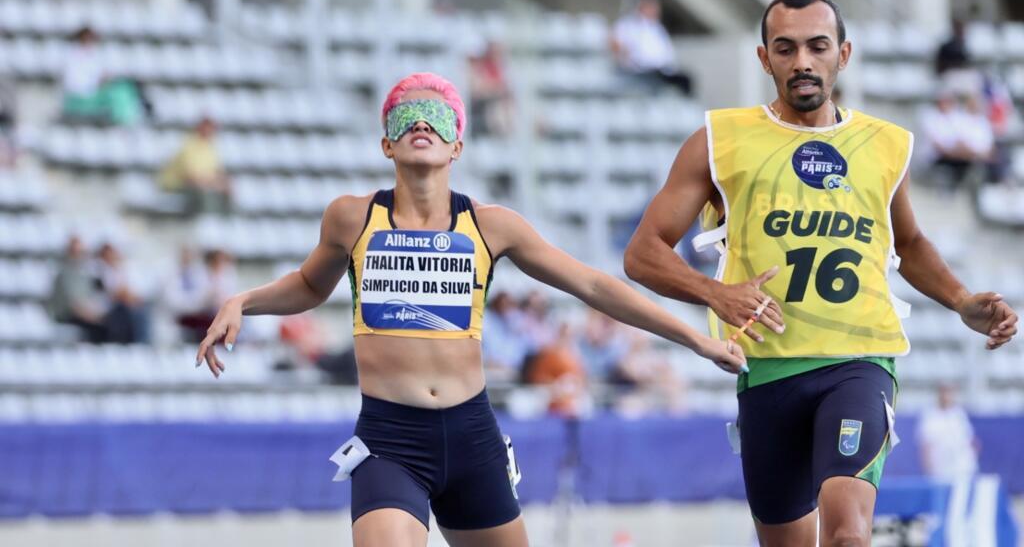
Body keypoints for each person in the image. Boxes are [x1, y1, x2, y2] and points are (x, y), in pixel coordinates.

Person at [195, 72, 746, 547]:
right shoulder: (350, 218)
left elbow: (593, 285)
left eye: (436, 116)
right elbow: (309, 287)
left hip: (471, 435)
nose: (420, 124)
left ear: (457, 145)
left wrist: (696, 338)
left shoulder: (490, 225)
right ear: (386, 144)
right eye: (405, 116)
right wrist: (245, 299)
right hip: (391, 439)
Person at [622, 0, 1018, 546]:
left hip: (858, 363)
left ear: (843, 54)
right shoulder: (718, 140)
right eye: (785, 48)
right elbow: (642, 252)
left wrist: (960, 299)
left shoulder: (886, 145)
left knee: (847, 534)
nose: (802, 61)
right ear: (764, 58)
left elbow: (909, 241)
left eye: (817, 46)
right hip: (765, 372)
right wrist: (716, 292)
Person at [61, 26, 144, 126]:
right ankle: (124, 123)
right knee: (118, 94)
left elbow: (101, 74)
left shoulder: (93, 55)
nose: (90, 41)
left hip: (93, 93)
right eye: (88, 38)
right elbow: (74, 83)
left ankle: (131, 120)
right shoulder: (71, 56)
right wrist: (97, 83)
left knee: (125, 87)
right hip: (80, 97)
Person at [610, 0, 692, 95]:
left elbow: (667, 52)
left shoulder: (657, 28)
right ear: (642, 8)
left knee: (684, 81)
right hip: (639, 71)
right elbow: (616, 45)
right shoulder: (627, 25)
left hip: (661, 71)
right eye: (650, 8)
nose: (654, 12)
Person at [158, 117, 231, 215]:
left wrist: (222, 184)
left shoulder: (210, 148)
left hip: (198, 186)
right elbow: (190, 177)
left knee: (225, 193)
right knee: (203, 196)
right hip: (176, 186)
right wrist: (212, 183)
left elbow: (218, 172)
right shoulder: (189, 145)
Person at [916, 383, 979, 483]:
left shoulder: (958, 413)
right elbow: (926, 446)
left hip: (962, 468)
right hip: (940, 470)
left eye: (949, 393)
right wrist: (929, 469)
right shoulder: (930, 415)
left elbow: (970, 439)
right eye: (944, 393)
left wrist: (973, 459)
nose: (946, 396)